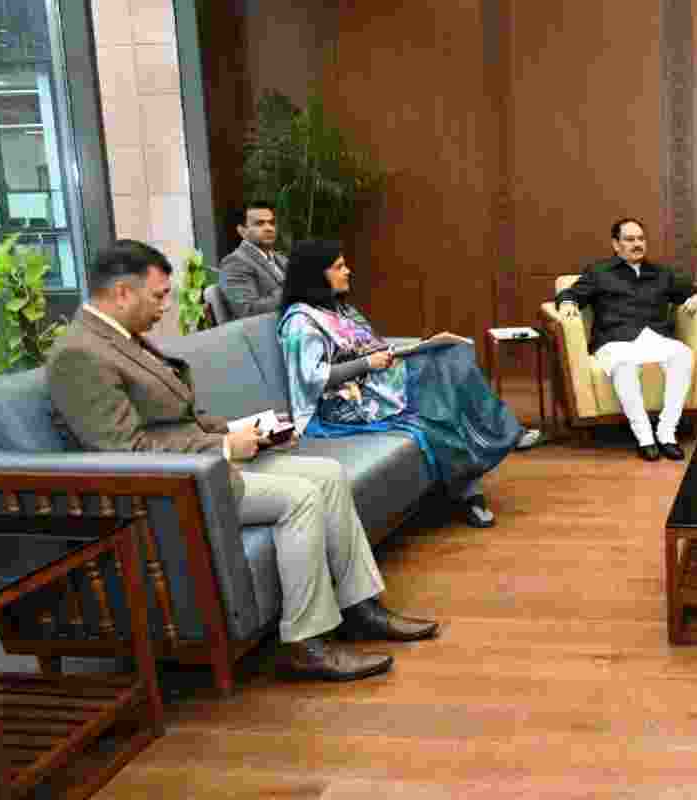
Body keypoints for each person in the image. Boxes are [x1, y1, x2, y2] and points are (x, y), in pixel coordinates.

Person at [48, 240, 438, 683]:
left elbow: (181, 417)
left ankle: (361, 608)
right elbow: (124, 452)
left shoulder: (121, 340)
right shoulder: (80, 355)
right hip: (173, 488)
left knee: (329, 475)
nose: (165, 307)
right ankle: (305, 643)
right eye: (158, 296)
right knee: (301, 498)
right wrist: (225, 448)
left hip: (203, 463)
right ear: (122, 292)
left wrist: (247, 428)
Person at [277, 240, 527, 528]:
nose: (348, 271)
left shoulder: (337, 309)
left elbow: (372, 345)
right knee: (437, 403)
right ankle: (476, 479)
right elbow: (312, 378)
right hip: (341, 406)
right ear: (315, 275)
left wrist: (404, 352)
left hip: (377, 383)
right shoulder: (300, 321)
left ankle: (490, 449)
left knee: (451, 354)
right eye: (339, 267)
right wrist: (367, 364)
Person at [555, 218, 697, 461]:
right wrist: (566, 302)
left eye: (641, 239)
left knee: (683, 355)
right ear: (616, 245)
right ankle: (645, 438)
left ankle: (667, 433)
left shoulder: (661, 273)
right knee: (624, 364)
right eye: (630, 239)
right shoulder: (599, 272)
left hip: (654, 338)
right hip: (615, 340)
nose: (637, 244)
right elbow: (571, 293)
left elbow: (691, 291)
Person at [219, 200, 288, 319]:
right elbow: (248, 310)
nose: (269, 228)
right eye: (259, 224)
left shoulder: (281, 259)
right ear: (242, 231)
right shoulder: (234, 263)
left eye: (271, 223)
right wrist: (292, 292)